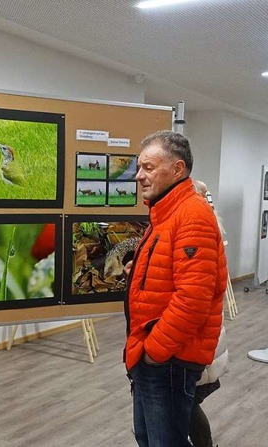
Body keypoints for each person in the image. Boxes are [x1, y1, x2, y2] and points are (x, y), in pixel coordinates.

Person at [122, 131, 228, 447]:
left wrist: (154, 352)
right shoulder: (167, 213)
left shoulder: (191, 214)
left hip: (168, 357)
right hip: (154, 353)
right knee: (148, 436)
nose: (139, 176)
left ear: (177, 169)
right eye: (139, 168)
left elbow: (194, 297)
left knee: (164, 440)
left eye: (149, 168)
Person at [189, 180, 230, 447]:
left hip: (197, 341)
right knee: (187, 404)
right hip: (203, 339)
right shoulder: (208, 226)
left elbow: (196, 298)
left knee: (188, 405)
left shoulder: (199, 233)